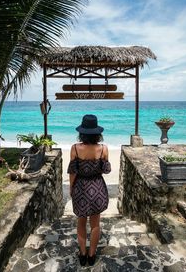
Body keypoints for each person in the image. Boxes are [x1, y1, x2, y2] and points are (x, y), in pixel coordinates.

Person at [67, 114, 111, 266]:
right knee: (95, 224)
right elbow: (106, 170)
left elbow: (73, 172)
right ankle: (92, 256)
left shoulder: (75, 148)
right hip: (97, 188)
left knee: (80, 221)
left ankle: (82, 254)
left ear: (82, 132)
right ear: (98, 133)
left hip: (80, 188)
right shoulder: (103, 149)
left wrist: (71, 188)